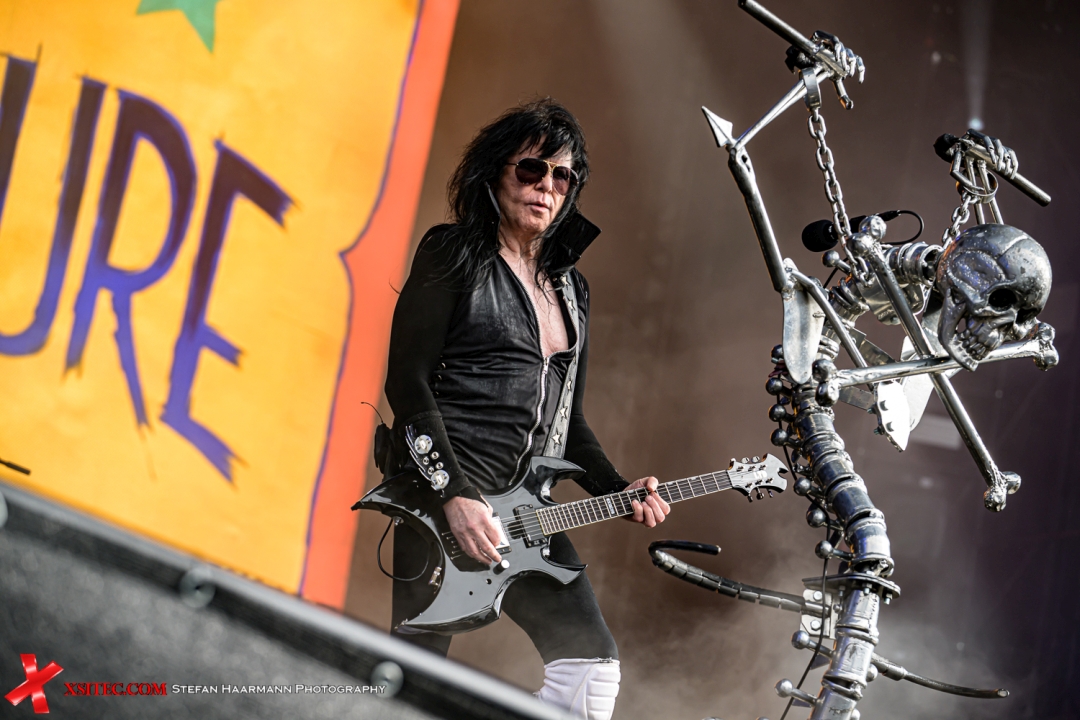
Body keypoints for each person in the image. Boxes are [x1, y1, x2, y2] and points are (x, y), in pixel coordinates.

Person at [380, 98, 670, 720]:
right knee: (409, 684)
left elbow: (570, 425)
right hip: (443, 501)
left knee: (591, 676)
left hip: (527, 512)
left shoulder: (571, 288)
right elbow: (406, 382)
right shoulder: (453, 251)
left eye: (562, 176)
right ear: (495, 173)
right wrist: (454, 495)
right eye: (532, 169)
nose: (546, 187)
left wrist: (617, 487)